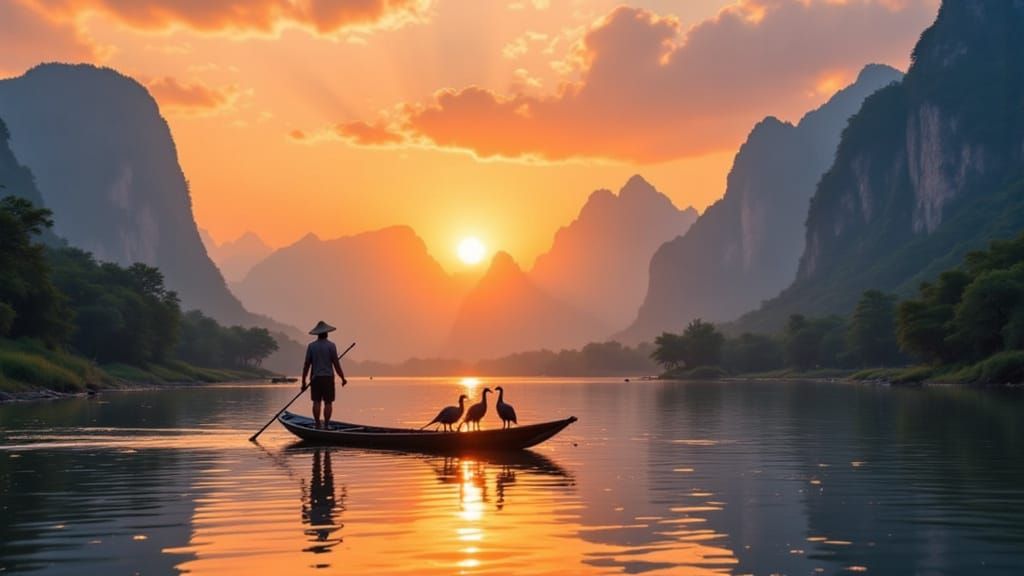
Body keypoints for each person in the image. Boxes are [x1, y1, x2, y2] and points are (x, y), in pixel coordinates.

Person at [302, 320, 347, 429]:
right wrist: (342, 378)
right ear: (326, 333)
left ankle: (317, 424)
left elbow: (306, 365)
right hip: (328, 378)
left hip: (315, 379)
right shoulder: (331, 346)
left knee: (316, 402)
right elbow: (336, 364)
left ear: (318, 334)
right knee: (328, 402)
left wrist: (303, 381)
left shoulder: (311, 346)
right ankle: (326, 425)